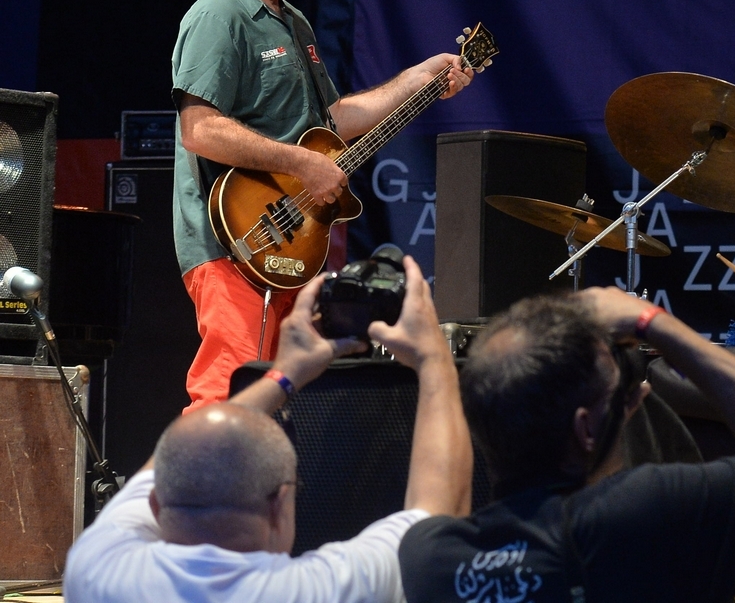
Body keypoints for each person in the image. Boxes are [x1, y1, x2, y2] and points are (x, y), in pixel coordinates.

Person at [172, 0, 474, 410]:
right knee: (229, 390)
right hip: (235, 241)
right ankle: (191, 493)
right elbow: (200, 129)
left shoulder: (293, 24)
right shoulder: (218, 15)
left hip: (288, 237)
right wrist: (303, 164)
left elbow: (332, 120)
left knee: (277, 395)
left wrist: (420, 78)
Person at [65, 258, 472, 603]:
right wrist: (435, 358)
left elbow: (177, 456)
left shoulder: (97, 571)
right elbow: (439, 513)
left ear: (155, 505)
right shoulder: (319, 590)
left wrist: (286, 374)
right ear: (280, 503)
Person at [398, 288, 735, 602]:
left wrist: (433, 361)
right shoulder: (636, 518)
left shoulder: (429, 559)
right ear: (586, 429)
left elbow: (428, 499)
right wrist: (650, 320)